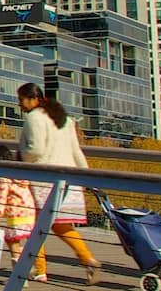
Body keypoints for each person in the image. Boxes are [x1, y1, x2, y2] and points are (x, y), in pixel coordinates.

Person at [15, 82, 101, 285]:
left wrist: (20, 158)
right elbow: (76, 150)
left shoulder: (35, 117)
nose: (20, 104)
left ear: (32, 99)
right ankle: (87, 258)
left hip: (45, 180)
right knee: (60, 224)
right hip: (69, 177)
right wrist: (86, 175)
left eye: (21, 100)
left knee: (35, 226)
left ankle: (39, 269)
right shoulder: (65, 119)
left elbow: (36, 150)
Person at [0, 145, 36, 270]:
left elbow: (0, 197)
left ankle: (19, 272)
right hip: (29, 211)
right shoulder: (20, 172)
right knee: (29, 240)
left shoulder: (3, 177)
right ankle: (34, 266)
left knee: (12, 241)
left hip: (14, 214)